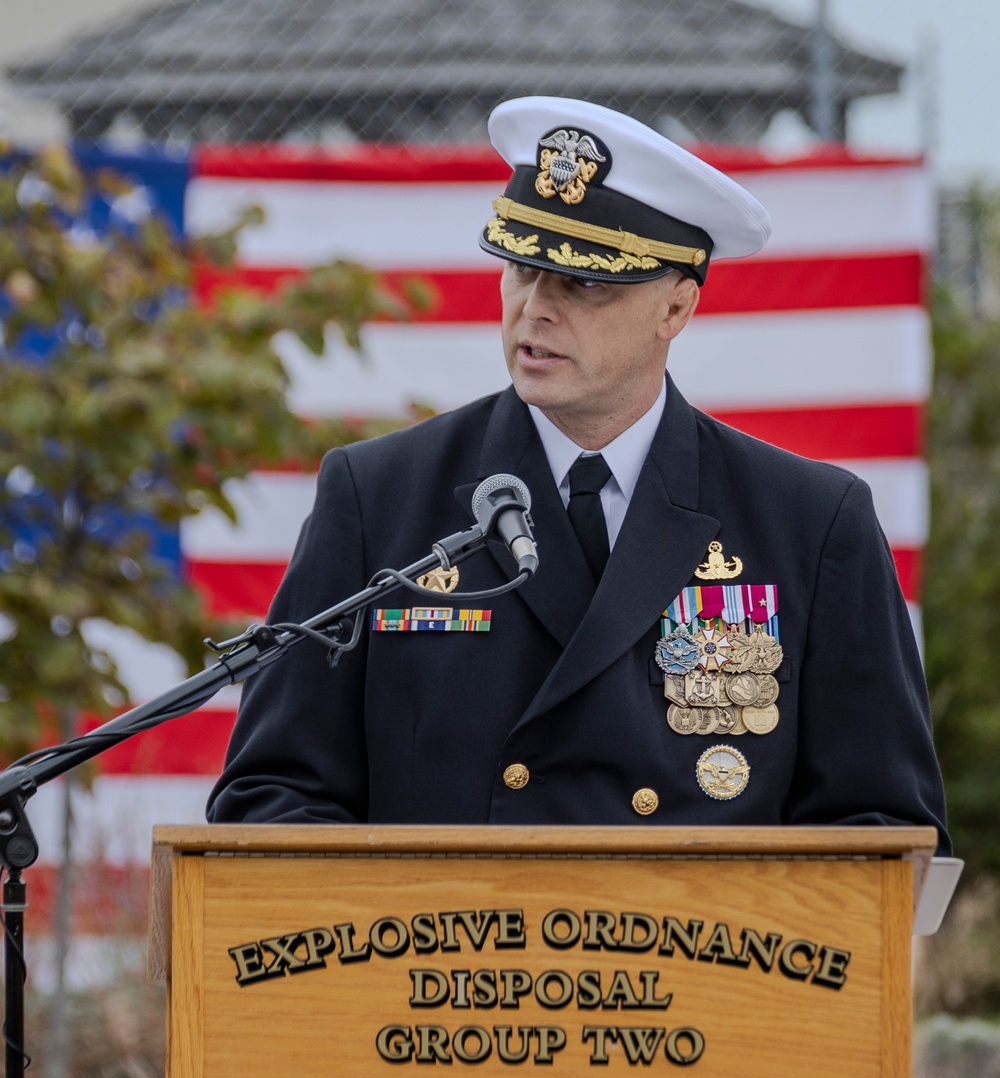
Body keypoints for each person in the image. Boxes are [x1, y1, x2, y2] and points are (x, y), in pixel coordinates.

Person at [208, 96, 949, 849]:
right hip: (442, 963)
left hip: (695, 962)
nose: (535, 310)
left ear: (677, 306)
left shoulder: (810, 524)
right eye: (521, 269)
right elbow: (273, 793)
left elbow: (883, 830)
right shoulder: (379, 498)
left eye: (585, 283)